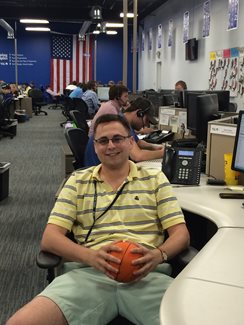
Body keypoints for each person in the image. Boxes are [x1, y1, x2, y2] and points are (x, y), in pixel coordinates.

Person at [7, 114, 189, 325]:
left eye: (117, 139)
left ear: (131, 142)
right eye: (103, 141)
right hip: (88, 275)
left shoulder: (155, 179)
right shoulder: (77, 181)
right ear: (95, 147)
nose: (110, 145)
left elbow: (181, 234)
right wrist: (90, 257)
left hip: (148, 277)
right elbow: (50, 238)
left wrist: (158, 255)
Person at [84, 97, 165, 167]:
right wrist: (163, 153)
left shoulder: (123, 119)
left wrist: (154, 147)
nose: (146, 126)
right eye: (146, 121)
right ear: (139, 113)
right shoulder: (120, 124)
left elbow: (138, 142)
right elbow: (137, 156)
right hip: (99, 173)